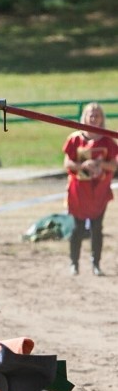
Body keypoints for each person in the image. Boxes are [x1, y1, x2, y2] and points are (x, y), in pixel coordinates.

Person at [62, 102, 118, 276]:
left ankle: (96, 264)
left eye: (97, 115)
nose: (93, 118)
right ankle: (74, 263)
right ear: (84, 117)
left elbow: (114, 166)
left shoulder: (108, 140)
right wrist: (83, 165)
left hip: (99, 191)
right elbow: (67, 163)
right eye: (90, 115)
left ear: (102, 118)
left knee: (97, 228)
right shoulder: (75, 139)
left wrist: (100, 164)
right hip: (78, 191)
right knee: (77, 228)